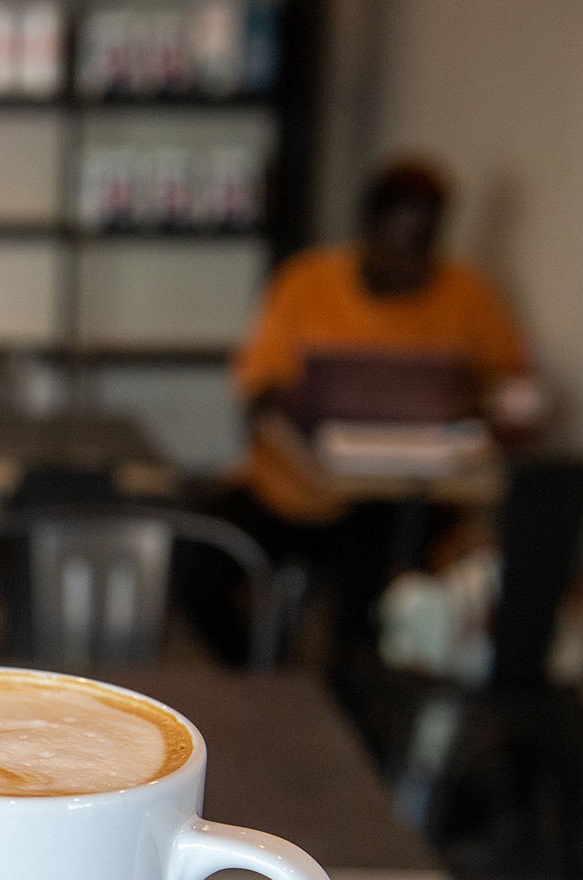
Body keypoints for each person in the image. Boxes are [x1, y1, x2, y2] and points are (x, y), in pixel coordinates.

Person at [186, 157, 537, 667]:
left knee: (376, 582)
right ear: (369, 230)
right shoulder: (307, 283)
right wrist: (299, 413)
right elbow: (257, 388)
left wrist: (475, 401)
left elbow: (509, 391)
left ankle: (350, 703)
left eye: (425, 244)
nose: (411, 262)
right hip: (293, 490)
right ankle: (254, 678)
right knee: (198, 562)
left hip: (399, 499)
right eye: (400, 241)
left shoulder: (468, 297)